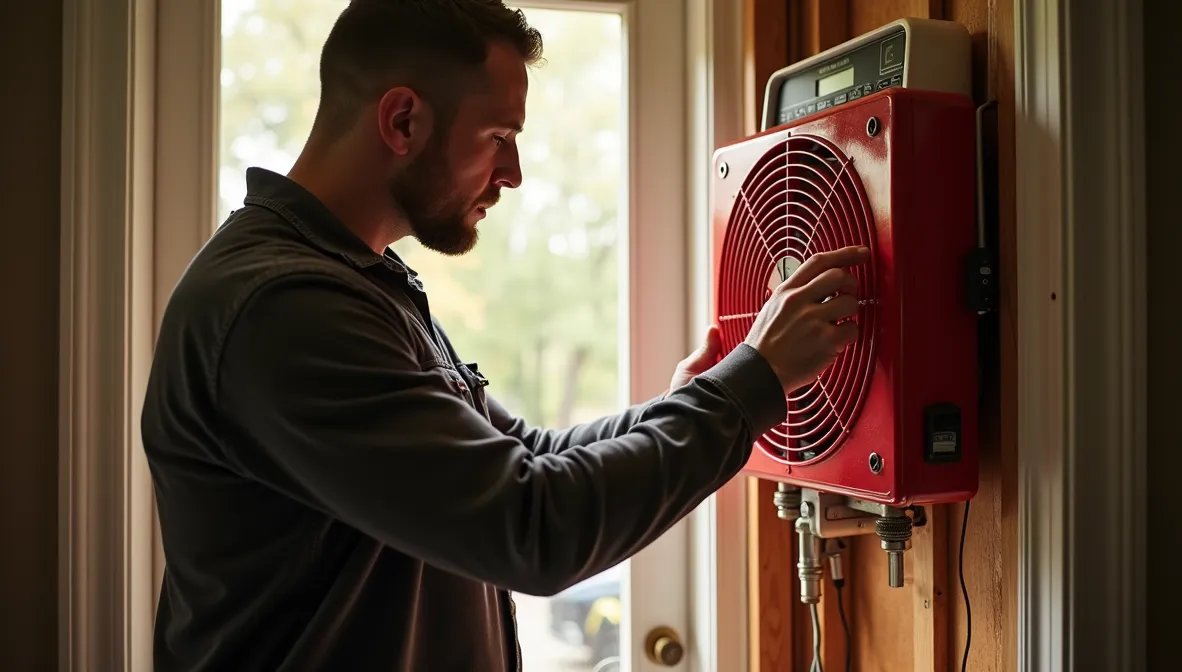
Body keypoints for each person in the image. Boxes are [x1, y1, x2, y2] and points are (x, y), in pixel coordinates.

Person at [141, 0, 868, 670]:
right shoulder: (285, 310)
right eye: (499, 137)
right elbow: (531, 526)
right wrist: (749, 386)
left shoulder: (361, 284)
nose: (513, 174)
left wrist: (695, 399)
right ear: (402, 121)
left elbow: (524, 456)